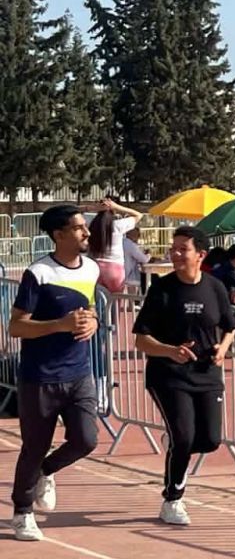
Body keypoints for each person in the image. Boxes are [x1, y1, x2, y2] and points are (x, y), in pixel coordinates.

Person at [132, 226, 235, 526]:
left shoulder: (215, 287)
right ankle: (173, 500)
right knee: (184, 438)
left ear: (200, 255)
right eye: (173, 248)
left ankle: (178, 438)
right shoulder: (162, 289)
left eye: (183, 249)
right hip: (168, 375)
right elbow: (141, 340)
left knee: (210, 440)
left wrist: (223, 348)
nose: (175, 254)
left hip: (207, 374)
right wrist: (169, 351)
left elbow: (230, 326)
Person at [8, 205, 101, 541]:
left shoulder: (91, 268)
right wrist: (59, 325)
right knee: (34, 446)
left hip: (79, 373)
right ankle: (22, 512)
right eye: (78, 228)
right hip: (40, 377)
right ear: (59, 235)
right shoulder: (38, 273)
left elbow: (90, 309)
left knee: (86, 440)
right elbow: (17, 326)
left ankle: (46, 471)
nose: (86, 233)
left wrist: (93, 322)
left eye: (85, 226)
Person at [87, 197, 143, 293]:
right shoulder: (117, 225)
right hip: (114, 267)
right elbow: (139, 215)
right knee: (117, 299)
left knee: (98, 299)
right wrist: (117, 206)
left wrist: (92, 208)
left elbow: (72, 211)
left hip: (94, 266)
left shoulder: (91, 225)